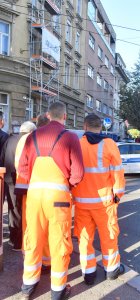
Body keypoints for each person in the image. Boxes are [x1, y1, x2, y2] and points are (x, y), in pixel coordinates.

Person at [18, 102, 84, 300]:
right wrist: (67, 186)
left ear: (48, 115)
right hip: (58, 199)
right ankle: (58, 290)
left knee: (33, 239)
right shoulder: (71, 137)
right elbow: (78, 173)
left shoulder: (32, 137)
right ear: (65, 117)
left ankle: (28, 286)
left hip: (35, 197)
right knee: (59, 242)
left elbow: (22, 169)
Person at [71, 113, 126, 285]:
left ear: (85, 127)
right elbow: (117, 172)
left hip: (81, 202)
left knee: (85, 238)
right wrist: (118, 195)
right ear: (101, 127)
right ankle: (111, 270)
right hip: (104, 203)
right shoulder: (109, 144)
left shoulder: (78, 145)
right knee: (108, 236)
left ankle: (89, 273)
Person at [15, 113, 51, 271]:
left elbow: (20, 165)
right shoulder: (38, 138)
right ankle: (45, 260)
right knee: (44, 227)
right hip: (41, 188)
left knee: (30, 226)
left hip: (28, 188)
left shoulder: (26, 139)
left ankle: (30, 258)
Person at [0, 121, 36, 251]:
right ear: (31, 131)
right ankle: (25, 240)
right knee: (27, 210)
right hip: (27, 181)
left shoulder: (9, 140)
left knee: (13, 210)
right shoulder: (31, 140)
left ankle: (15, 240)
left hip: (10, 180)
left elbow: (2, 159)